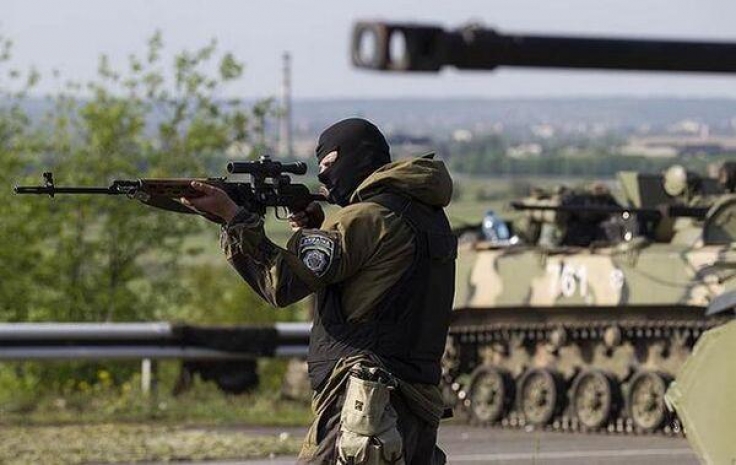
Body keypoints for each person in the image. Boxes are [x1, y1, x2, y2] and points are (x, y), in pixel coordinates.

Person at [181, 118, 456, 465]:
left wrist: (234, 219)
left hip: (367, 398)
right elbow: (374, 284)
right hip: (415, 398)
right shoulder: (422, 212)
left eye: (329, 164)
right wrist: (315, 231)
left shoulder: (365, 218)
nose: (324, 176)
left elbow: (282, 283)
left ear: (358, 157)